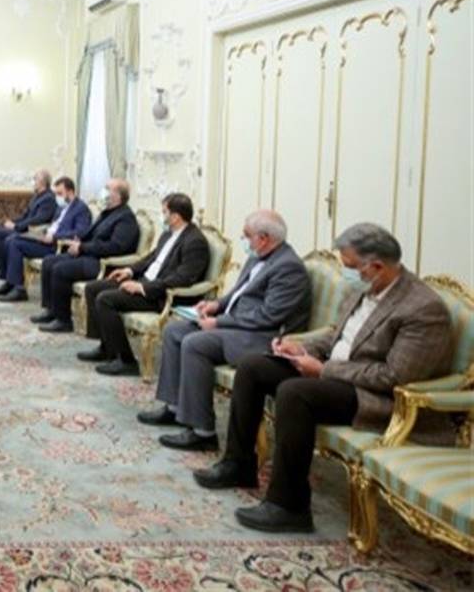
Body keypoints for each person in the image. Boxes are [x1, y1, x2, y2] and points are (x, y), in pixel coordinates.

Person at [194, 223, 454, 534]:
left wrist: (324, 370)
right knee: (253, 367)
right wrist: (301, 347)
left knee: (295, 393)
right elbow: (336, 335)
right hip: (335, 372)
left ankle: (289, 506)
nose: (346, 274)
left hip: (372, 395)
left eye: (350, 267)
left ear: (377, 266)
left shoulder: (422, 308)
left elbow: (393, 376)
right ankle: (238, 464)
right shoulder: (365, 287)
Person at [138, 209, 312, 451]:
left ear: (263, 238)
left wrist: (219, 322)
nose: (243, 240)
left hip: (261, 337)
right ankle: (174, 407)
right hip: (239, 326)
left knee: (196, 343)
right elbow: (239, 293)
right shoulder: (258, 256)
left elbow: (268, 316)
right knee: (174, 331)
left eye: (246, 235)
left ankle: (202, 432)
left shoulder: (289, 268)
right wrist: (216, 305)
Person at [79, 192, 210, 376]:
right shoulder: (168, 234)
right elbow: (151, 258)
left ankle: (126, 361)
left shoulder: (195, 241)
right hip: (145, 281)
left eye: (164, 212)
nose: (162, 216)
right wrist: (129, 271)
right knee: (93, 288)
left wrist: (142, 288)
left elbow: (183, 278)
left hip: (160, 295)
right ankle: (106, 347)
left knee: (105, 299)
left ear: (175, 217)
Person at [32, 178, 140, 332]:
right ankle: (51, 310)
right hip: (88, 254)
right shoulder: (107, 212)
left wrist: (82, 247)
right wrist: (78, 241)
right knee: (49, 262)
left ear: (117, 195)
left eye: (107, 188)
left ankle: (63, 320)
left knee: (60, 270)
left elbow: (115, 247)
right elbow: (92, 234)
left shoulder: (126, 218)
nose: (103, 191)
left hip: (102, 263)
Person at [0, 177, 92, 302]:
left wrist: (55, 237)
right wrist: (42, 233)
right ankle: (10, 282)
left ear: (70, 191)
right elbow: (54, 225)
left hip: (56, 246)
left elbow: (80, 232)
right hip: (45, 238)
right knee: (11, 239)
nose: (57, 197)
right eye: (56, 194)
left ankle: (19, 289)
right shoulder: (62, 207)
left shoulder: (81, 209)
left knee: (15, 244)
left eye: (60, 193)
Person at [0, 170, 56, 280]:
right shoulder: (36, 196)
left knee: (0, 234)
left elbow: (38, 220)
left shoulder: (48, 198)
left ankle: (3, 271)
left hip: (32, 231)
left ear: (42, 182)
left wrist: (16, 226)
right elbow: (25, 215)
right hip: (24, 226)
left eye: (35, 179)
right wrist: (12, 222)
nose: (33, 182)